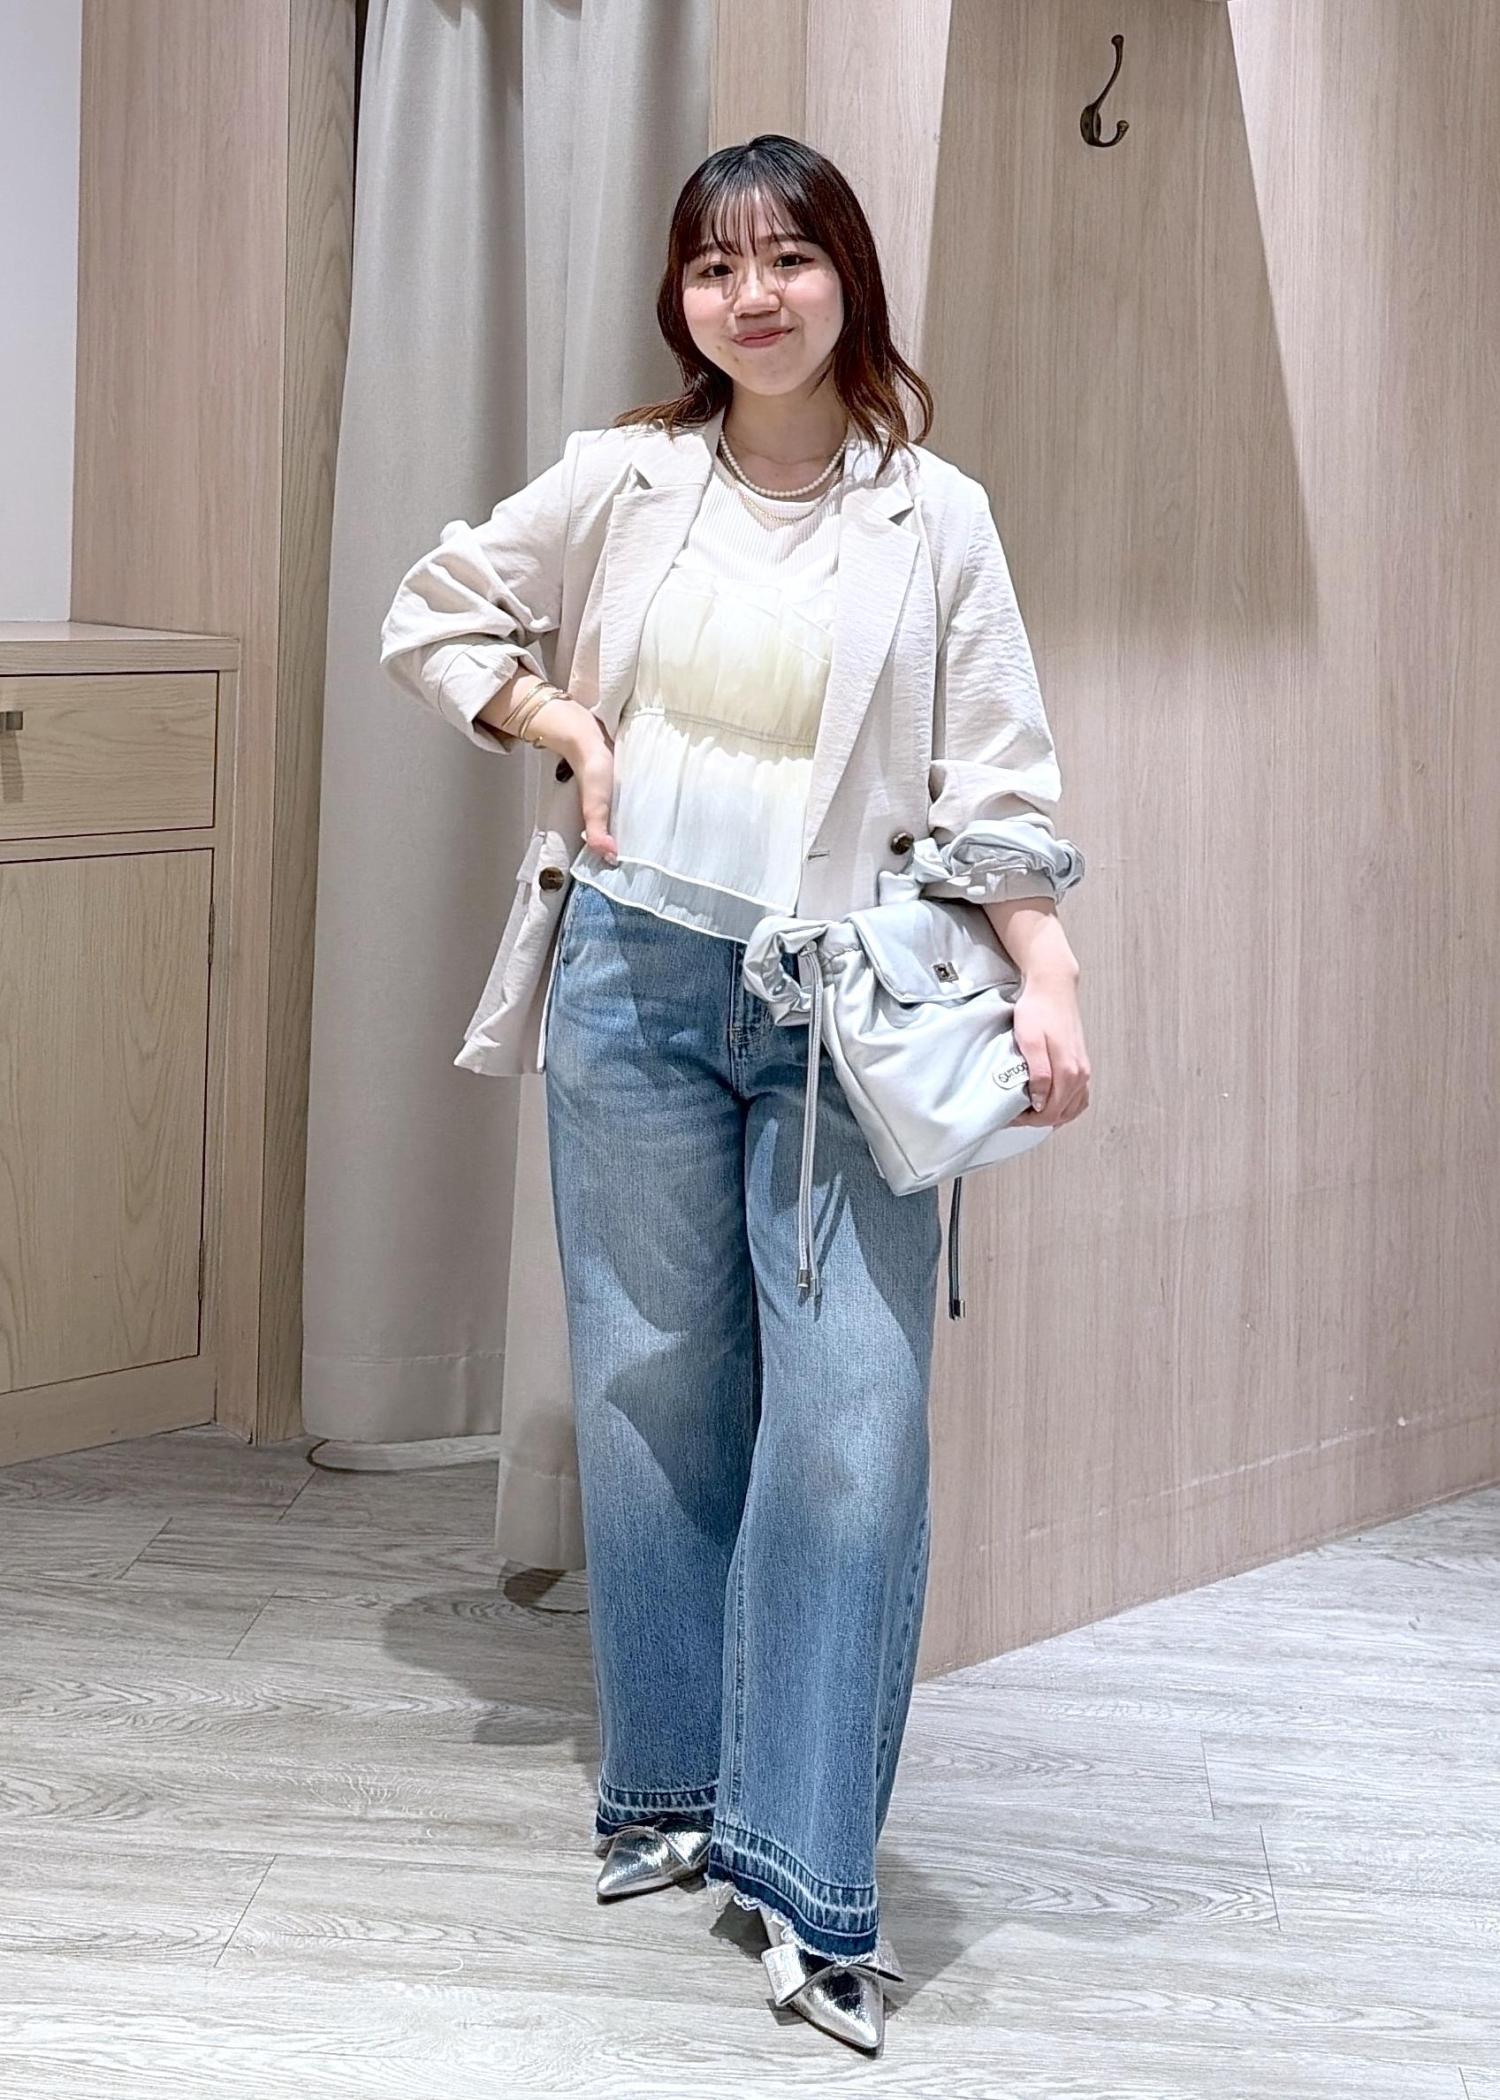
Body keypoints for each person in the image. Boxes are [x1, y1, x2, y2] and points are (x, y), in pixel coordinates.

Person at [380, 133, 1091, 2060]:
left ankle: (815, 1880)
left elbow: (996, 780)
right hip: (631, 975)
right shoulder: (622, 483)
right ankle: (672, 1789)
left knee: (850, 1425)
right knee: (652, 1391)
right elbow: (434, 613)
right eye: (714, 266)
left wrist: (1048, 973)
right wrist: (557, 716)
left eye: (787, 258)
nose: (751, 296)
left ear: (849, 276)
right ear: (680, 299)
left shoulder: (935, 515)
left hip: (845, 1002)